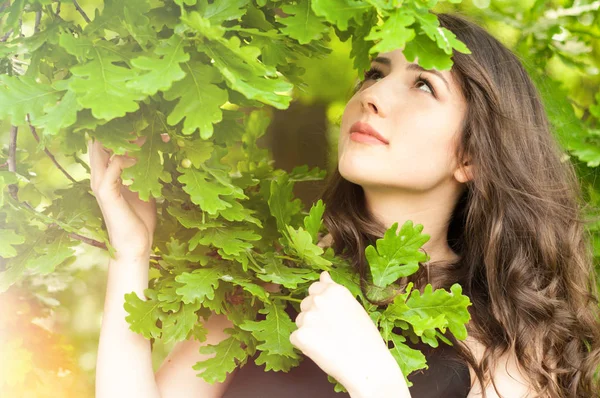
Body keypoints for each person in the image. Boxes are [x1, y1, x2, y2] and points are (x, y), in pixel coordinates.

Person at [92, 12, 600, 398]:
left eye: (423, 84)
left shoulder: (510, 345)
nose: (373, 95)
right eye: (375, 72)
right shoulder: (267, 281)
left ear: (471, 154)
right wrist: (132, 251)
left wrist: (373, 378)